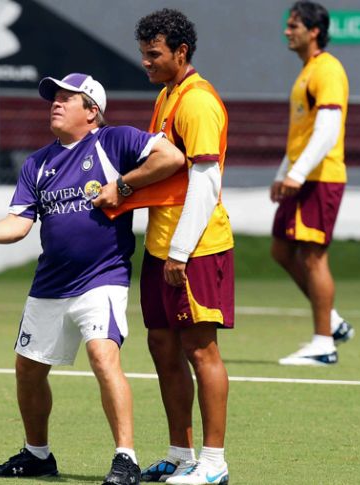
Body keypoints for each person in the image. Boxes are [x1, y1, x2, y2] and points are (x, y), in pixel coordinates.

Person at [0, 72, 185, 485]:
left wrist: (123, 185)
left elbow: (172, 158)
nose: (55, 104)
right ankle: (37, 454)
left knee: (103, 356)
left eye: (66, 98)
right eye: (53, 98)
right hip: (50, 284)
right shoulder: (37, 163)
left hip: (103, 277)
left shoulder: (114, 141)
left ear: (92, 111)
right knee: (27, 369)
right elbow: (20, 223)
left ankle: (125, 458)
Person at [99, 9, 234, 485]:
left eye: (153, 54)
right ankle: (180, 454)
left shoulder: (198, 102)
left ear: (181, 52)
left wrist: (180, 251)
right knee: (162, 345)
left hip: (195, 248)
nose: (146, 62)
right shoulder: (166, 95)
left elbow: (205, 180)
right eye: (143, 53)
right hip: (161, 246)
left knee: (201, 350)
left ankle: (213, 463)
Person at [270, 1, 355, 367]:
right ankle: (331, 320)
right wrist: (283, 172)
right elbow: (303, 133)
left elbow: (327, 131)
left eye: (294, 26)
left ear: (314, 30)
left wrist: (298, 173)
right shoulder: (307, 71)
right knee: (281, 249)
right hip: (304, 175)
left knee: (314, 257)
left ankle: (323, 344)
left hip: (321, 178)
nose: (287, 31)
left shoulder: (327, 69)